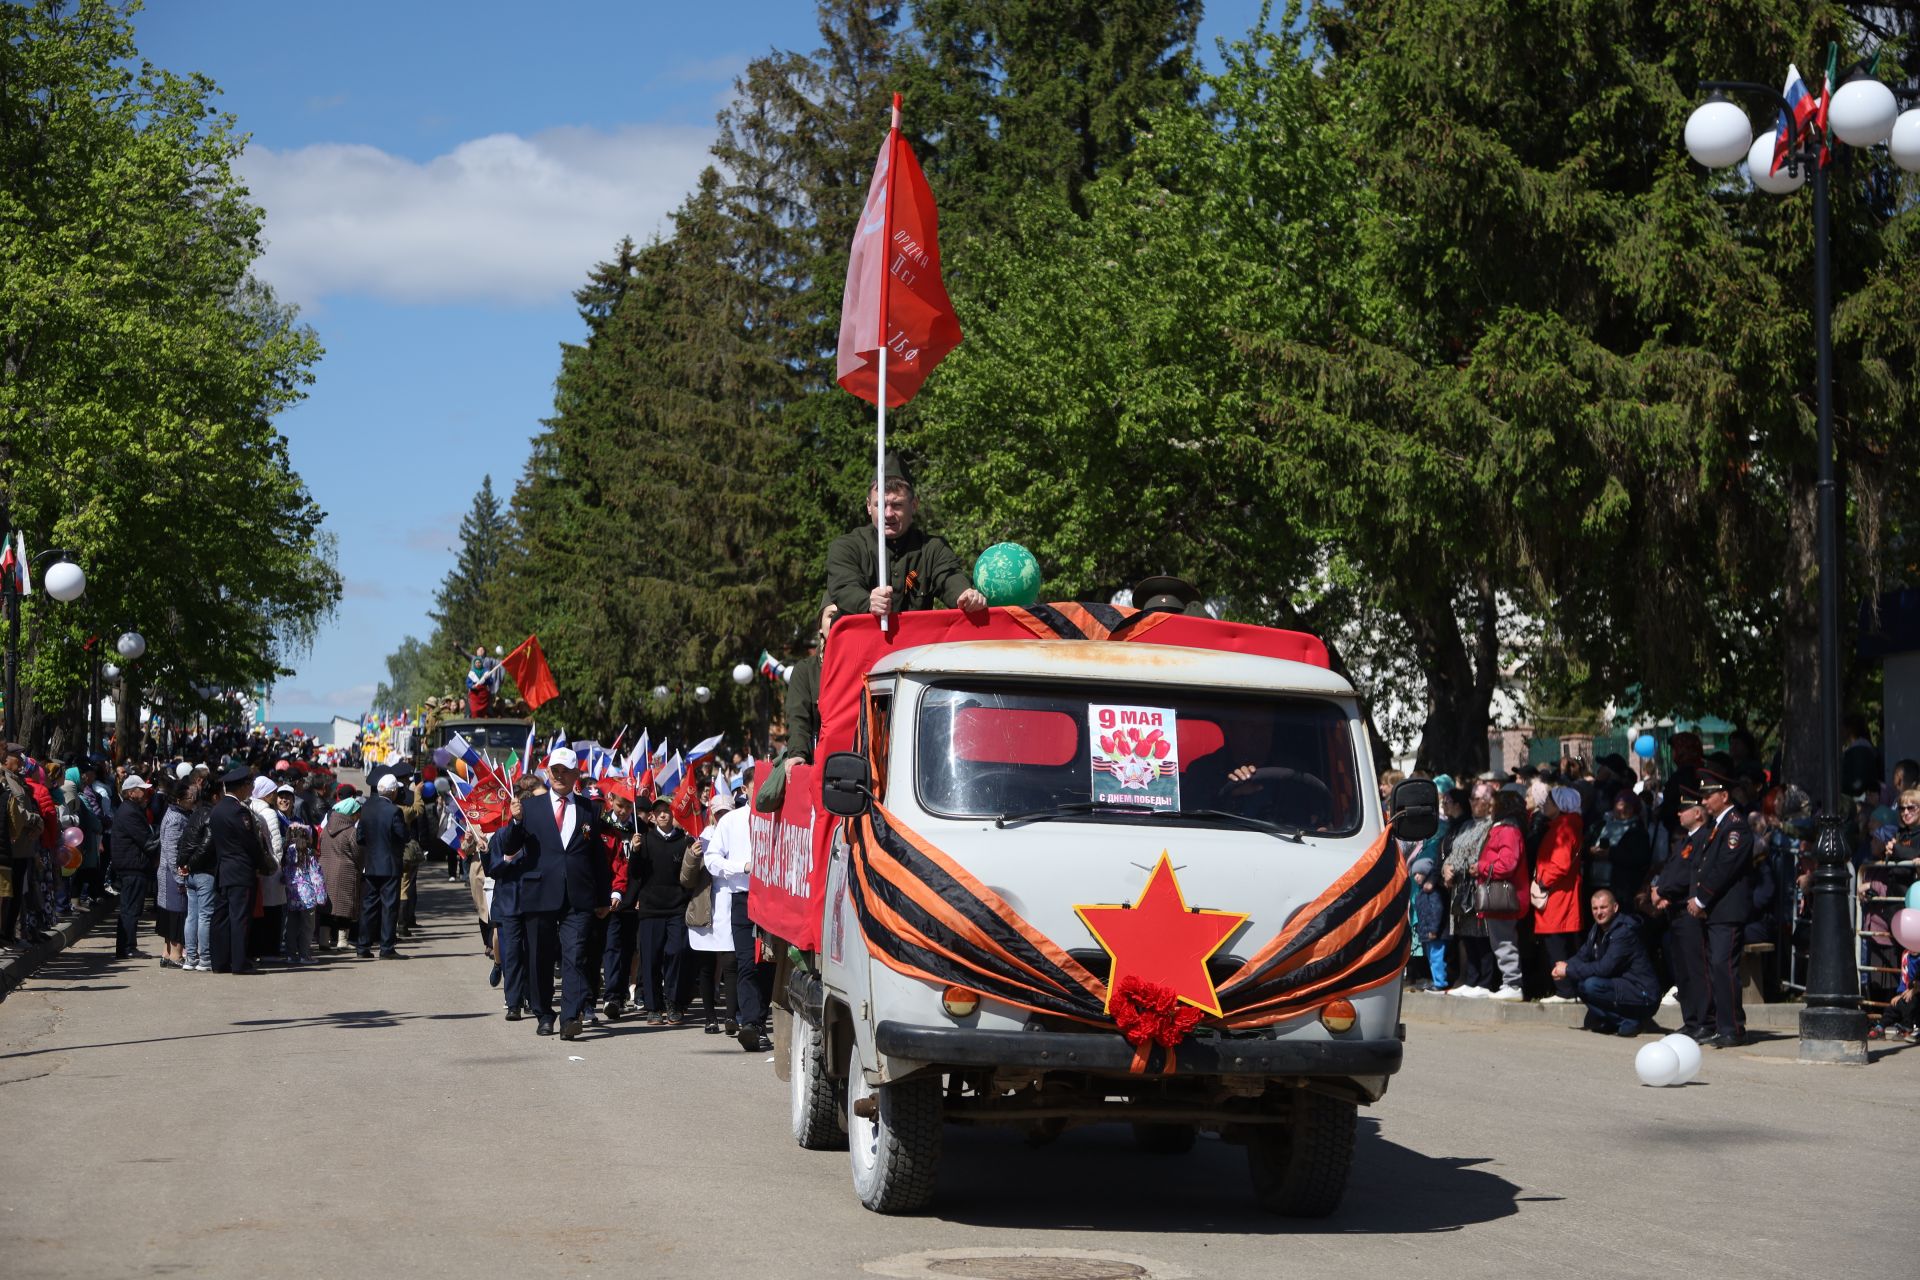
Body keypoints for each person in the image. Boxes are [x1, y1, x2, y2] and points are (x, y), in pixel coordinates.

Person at [498, 748, 616, 1040]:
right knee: (540, 957)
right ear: (547, 773)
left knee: (575, 957)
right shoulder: (531, 807)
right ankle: (543, 1013)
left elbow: (597, 857)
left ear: (576, 775)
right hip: (539, 893)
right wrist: (513, 822)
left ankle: (569, 1018)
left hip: (579, 896)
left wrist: (603, 897)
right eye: (555, 770)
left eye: (566, 770)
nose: (560, 775)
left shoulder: (590, 809)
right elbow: (509, 848)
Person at [824, 457, 988, 620]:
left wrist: (965, 594)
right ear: (868, 506)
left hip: (914, 644)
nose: (888, 514)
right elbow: (843, 587)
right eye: (880, 505)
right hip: (862, 642)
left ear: (914, 505)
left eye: (897, 505)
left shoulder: (932, 548)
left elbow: (949, 576)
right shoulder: (847, 547)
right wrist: (868, 602)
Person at [697, 789, 770, 1052]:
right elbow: (712, 859)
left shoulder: (781, 817)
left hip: (775, 900)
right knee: (746, 961)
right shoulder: (732, 820)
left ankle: (760, 1021)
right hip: (743, 898)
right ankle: (750, 1023)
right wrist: (741, 867)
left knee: (768, 964)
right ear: (748, 789)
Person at [1690, 768, 1753, 1048]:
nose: (1704, 801)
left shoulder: (1735, 825)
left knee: (1723, 966)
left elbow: (1724, 868)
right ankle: (1723, 1023)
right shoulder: (1718, 825)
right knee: (1716, 967)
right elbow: (1704, 866)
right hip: (1716, 909)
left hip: (1727, 909)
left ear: (1724, 796)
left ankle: (1733, 1028)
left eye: (1708, 795)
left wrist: (1702, 898)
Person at [1649, 784, 1711, 1038]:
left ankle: (1704, 1021)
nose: (1679, 814)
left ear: (1697, 813)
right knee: (1682, 971)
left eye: (1684, 810)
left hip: (1688, 912)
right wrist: (1658, 889)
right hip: (1674, 912)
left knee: (1696, 970)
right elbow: (1671, 870)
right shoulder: (1687, 840)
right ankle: (1692, 1019)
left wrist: (1662, 891)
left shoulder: (1704, 838)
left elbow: (1688, 875)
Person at [1557, 888, 1661, 1036]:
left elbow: (1605, 968)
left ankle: (1627, 1021)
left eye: (1603, 907)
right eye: (1595, 908)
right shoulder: (1596, 930)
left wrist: (1567, 970)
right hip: (1620, 986)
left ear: (1615, 907)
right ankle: (1618, 1021)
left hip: (1643, 994)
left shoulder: (1624, 932)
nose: (1599, 912)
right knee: (1578, 981)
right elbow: (1582, 956)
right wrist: (1564, 966)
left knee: (1591, 985)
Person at [487, 774, 547, 1023]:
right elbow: (493, 868)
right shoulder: (502, 835)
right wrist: (507, 861)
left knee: (533, 954)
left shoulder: (539, 835)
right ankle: (513, 1003)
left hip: (535, 902)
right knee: (512, 955)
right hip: (510, 903)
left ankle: (533, 999)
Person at [632, 795, 693, 1023]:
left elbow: (690, 874)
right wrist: (635, 853)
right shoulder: (645, 840)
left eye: (667, 810)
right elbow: (636, 874)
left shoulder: (684, 841)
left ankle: (674, 1002)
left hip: (677, 907)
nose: (663, 814)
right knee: (650, 958)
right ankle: (654, 1006)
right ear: (652, 816)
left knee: (677, 952)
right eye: (659, 812)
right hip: (651, 909)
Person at [207, 766, 266, 975]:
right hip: (241, 870)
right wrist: (263, 864)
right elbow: (250, 842)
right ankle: (240, 963)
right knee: (240, 918)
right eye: (249, 785)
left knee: (221, 917)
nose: (251, 789)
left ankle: (220, 961)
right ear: (242, 787)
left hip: (224, 869)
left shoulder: (218, 809)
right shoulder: (238, 811)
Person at [1474, 785, 1529, 999]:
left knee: (1504, 941)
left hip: (1504, 896)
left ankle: (1513, 984)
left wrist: (1480, 867)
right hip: (1501, 895)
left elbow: (1506, 865)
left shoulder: (1507, 831)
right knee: (1500, 941)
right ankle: (1509, 983)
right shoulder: (1504, 829)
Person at [1443, 782, 1497, 995]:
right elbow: (1454, 851)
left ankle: (1485, 981)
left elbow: (1478, 856)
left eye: (1478, 800)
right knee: (1466, 936)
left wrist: (1456, 869)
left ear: (1488, 802)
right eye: (1472, 799)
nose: (1473, 804)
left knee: (1481, 936)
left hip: (1476, 887)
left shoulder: (1490, 826)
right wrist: (1446, 867)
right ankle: (1471, 978)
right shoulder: (1466, 825)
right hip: (1459, 890)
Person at [1533, 785, 1586, 1002]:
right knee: (1559, 942)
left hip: (1558, 894)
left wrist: (1543, 881)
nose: (1545, 805)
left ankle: (1565, 991)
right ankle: (1566, 990)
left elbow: (1560, 864)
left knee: (1557, 943)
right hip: (1558, 892)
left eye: (1549, 801)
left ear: (1560, 805)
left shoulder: (1565, 827)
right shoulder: (1563, 825)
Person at [596, 786, 640, 1021]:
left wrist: (638, 849)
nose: (623, 811)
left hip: (633, 897)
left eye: (627, 807)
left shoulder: (640, 829)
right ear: (611, 800)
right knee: (612, 946)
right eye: (619, 806)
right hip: (611, 896)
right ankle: (611, 996)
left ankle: (621, 993)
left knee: (628, 948)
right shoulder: (602, 826)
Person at [356, 774, 410, 959]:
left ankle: (363, 946)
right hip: (389, 865)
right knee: (389, 907)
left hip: (370, 864)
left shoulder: (367, 808)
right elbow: (403, 835)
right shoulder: (394, 811)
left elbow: (359, 837)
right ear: (394, 791)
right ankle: (386, 947)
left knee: (368, 906)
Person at [109, 774, 161, 960]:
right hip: (132, 866)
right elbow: (146, 841)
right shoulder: (129, 812)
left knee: (132, 907)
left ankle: (128, 945)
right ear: (131, 793)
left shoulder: (132, 809)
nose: (146, 792)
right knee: (130, 908)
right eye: (141, 789)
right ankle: (127, 946)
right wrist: (162, 836)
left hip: (134, 865)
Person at [784, 601, 839, 763]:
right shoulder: (806, 671)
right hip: (820, 761)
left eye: (842, 615)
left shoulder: (863, 666)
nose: (837, 620)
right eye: (831, 615)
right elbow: (798, 719)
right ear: (820, 627)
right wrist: (797, 754)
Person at [316, 788, 362, 951]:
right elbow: (358, 854)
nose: (358, 816)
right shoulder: (351, 832)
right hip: (346, 871)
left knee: (326, 907)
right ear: (351, 813)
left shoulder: (326, 829)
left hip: (325, 870)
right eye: (356, 813)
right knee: (344, 906)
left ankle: (323, 940)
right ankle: (342, 940)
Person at [155, 778, 194, 969]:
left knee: (171, 913)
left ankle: (167, 953)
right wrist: (180, 877)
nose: (192, 799)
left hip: (171, 873)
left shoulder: (175, 813)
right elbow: (172, 851)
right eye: (189, 796)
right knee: (176, 913)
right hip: (172, 874)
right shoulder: (175, 818)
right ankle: (176, 955)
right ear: (179, 799)